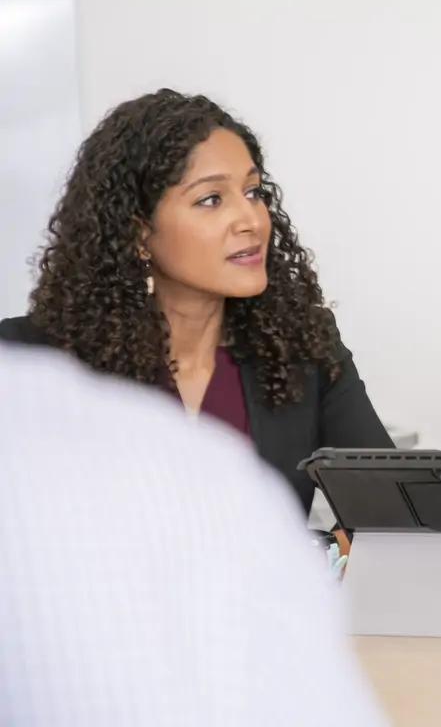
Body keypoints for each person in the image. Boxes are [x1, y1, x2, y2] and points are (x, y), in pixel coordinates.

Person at [0, 89, 394, 519]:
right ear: (138, 234)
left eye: (253, 192)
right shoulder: (27, 360)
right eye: (211, 199)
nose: (251, 220)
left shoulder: (302, 349)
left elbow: (394, 515)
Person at [0, 341, 388, 725]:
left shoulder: (302, 344)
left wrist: (324, 557)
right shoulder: (32, 348)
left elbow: (388, 506)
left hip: (260, 659)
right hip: (94, 662)